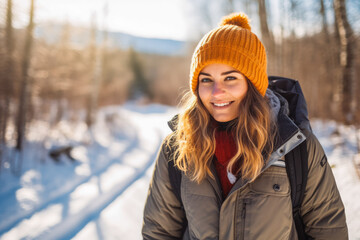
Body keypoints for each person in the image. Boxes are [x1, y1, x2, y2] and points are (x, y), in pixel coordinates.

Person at [142, 12, 348, 240]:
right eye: (206, 79)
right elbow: (159, 232)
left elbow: (328, 230)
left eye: (230, 78)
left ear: (253, 84)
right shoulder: (177, 149)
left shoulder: (295, 147)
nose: (216, 92)